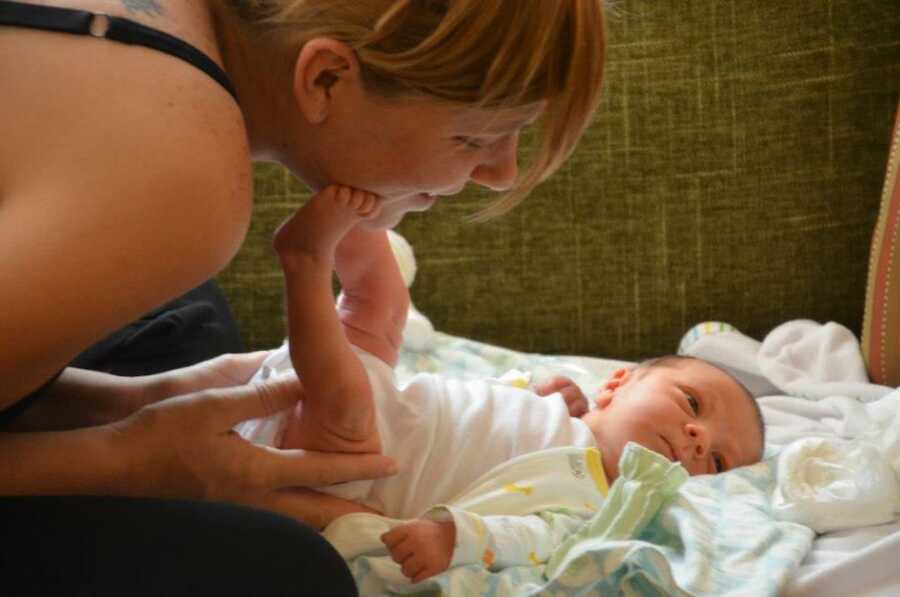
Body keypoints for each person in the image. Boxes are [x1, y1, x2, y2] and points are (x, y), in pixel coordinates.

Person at [0, 0, 607, 594]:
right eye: (476, 138)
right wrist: (129, 460)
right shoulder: (185, 177)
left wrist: (132, 401)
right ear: (324, 77)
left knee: (192, 338)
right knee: (288, 563)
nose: (500, 172)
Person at [239, 183, 767, 583]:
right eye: (691, 403)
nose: (699, 439)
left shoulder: (598, 503)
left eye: (718, 460)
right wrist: (532, 390)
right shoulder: (559, 411)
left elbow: (534, 539)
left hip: (357, 460)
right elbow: (486, 406)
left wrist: (455, 536)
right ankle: (353, 196)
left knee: (346, 409)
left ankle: (305, 265)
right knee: (383, 304)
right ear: (617, 384)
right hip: (391, 397)